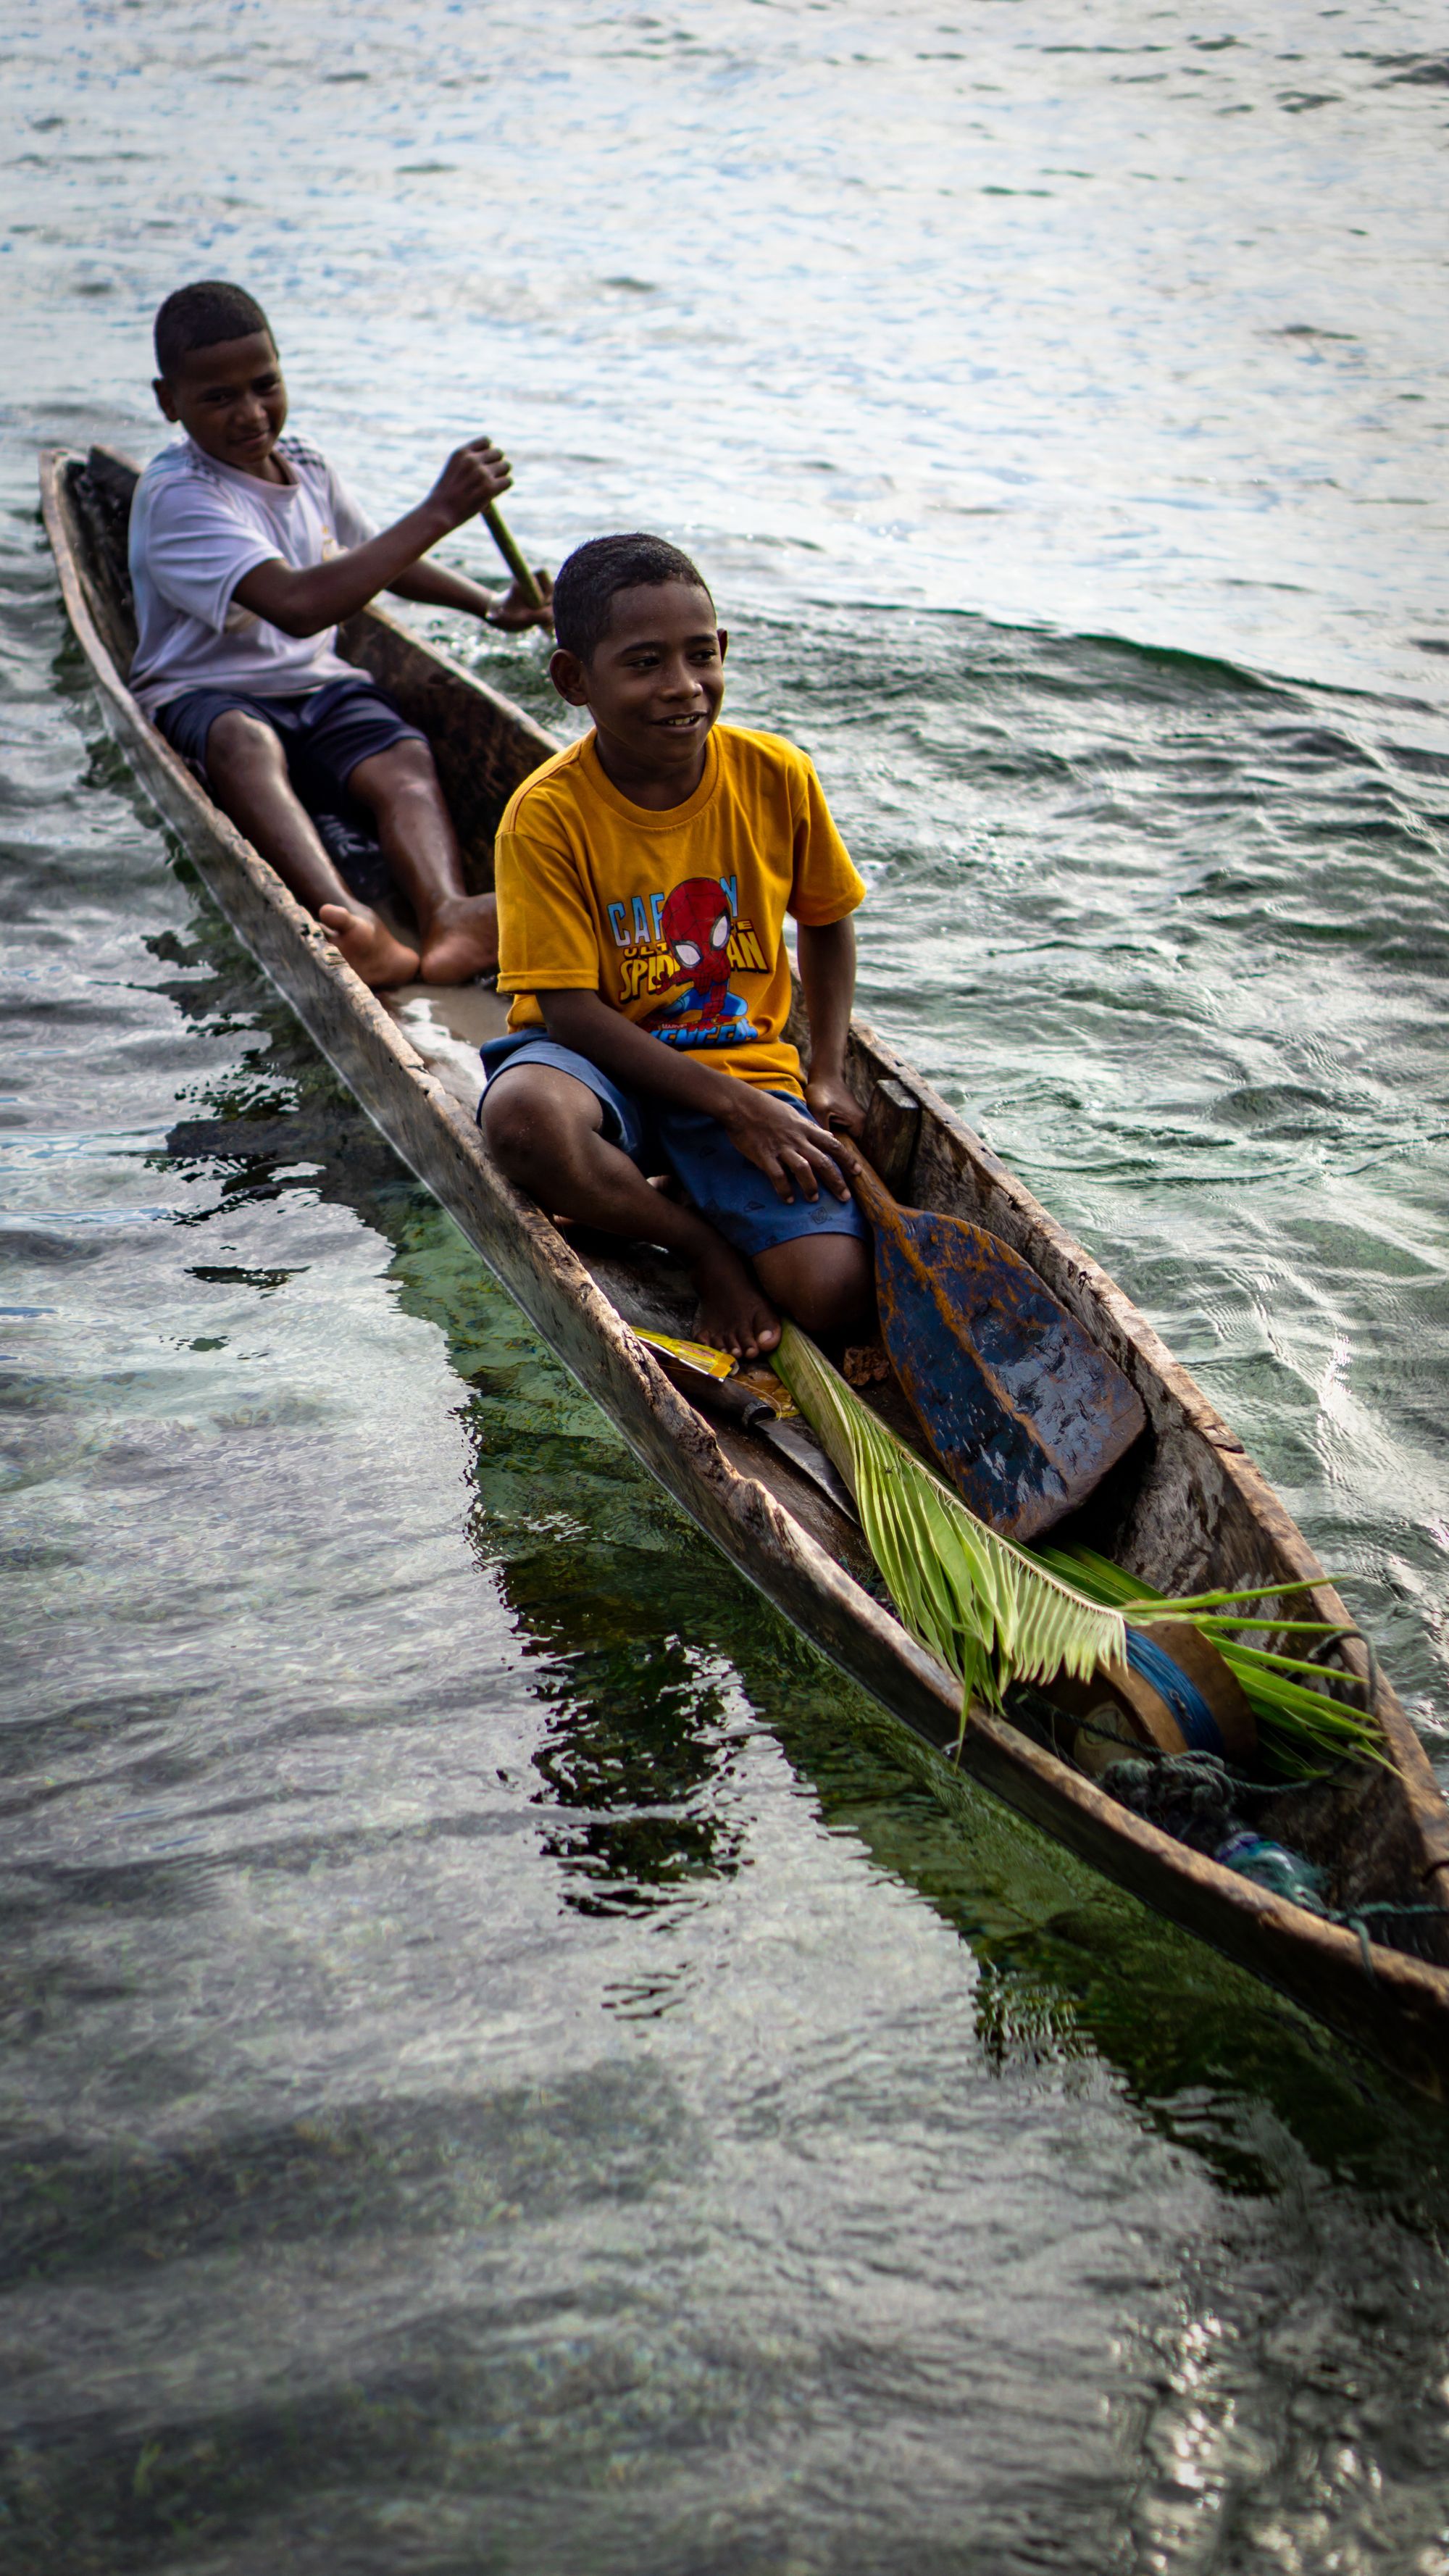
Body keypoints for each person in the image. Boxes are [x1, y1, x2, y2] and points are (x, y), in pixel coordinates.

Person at [480, 533, 874, 1362]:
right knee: (520, 1123)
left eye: (701, 656)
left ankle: (654, 1190)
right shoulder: (545, 815)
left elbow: (827, 919)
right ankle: (697, 1241)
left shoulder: (776, 775)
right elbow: (570, 1012)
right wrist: (734, 1111)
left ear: (722, 650)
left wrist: (827, 1069)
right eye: (644, 663)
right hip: (598, 1070)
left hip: (739, 1063)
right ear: (573, 680)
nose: (682, 688)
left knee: (832, 1297)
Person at [128, 279, 553, 989]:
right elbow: (298, 605)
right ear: (169, 402)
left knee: (403, 759)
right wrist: (442, 508)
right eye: (217, 397)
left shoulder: (309, 463)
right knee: (242, 743)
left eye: (264, 385)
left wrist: (488, 604)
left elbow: (371, 558)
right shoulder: (178, 495)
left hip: (316, 686)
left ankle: (448, 914)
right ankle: (353, 922)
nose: (250, 414)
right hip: (207, 690)